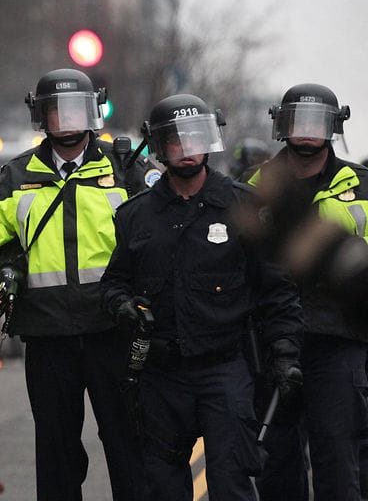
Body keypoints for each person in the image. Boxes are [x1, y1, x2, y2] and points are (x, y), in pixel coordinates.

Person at [100, 93, 303, 501]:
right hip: (161, 373)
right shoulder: (135, 215)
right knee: (162, 486)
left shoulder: (243, 207)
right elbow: (114, 282)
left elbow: (276, 289)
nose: (187, 149)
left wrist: (285, 352)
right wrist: (122, 306)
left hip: (224, 369)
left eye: (195, 138)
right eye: (176, 140)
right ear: (159, 148)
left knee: (231, 480)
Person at [0, 68, 152, 501]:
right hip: (48, 337)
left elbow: (156, 238)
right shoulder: (14, 177)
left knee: (127, 444)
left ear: (92, 113)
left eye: (74, 111)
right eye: (56, 111)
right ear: (41, 117)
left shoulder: (124, 169)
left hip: (112, 332)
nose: (66, 121)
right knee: (56, 453)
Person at [245, 83, 368, 501]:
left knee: (338, 462)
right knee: (276, 467)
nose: (308, 133)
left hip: (338, 343)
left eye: (318, 123)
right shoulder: (254, 186)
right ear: (282, 126)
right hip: (270, 344)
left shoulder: (362, 186)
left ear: (334, 127)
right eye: (299, 122)